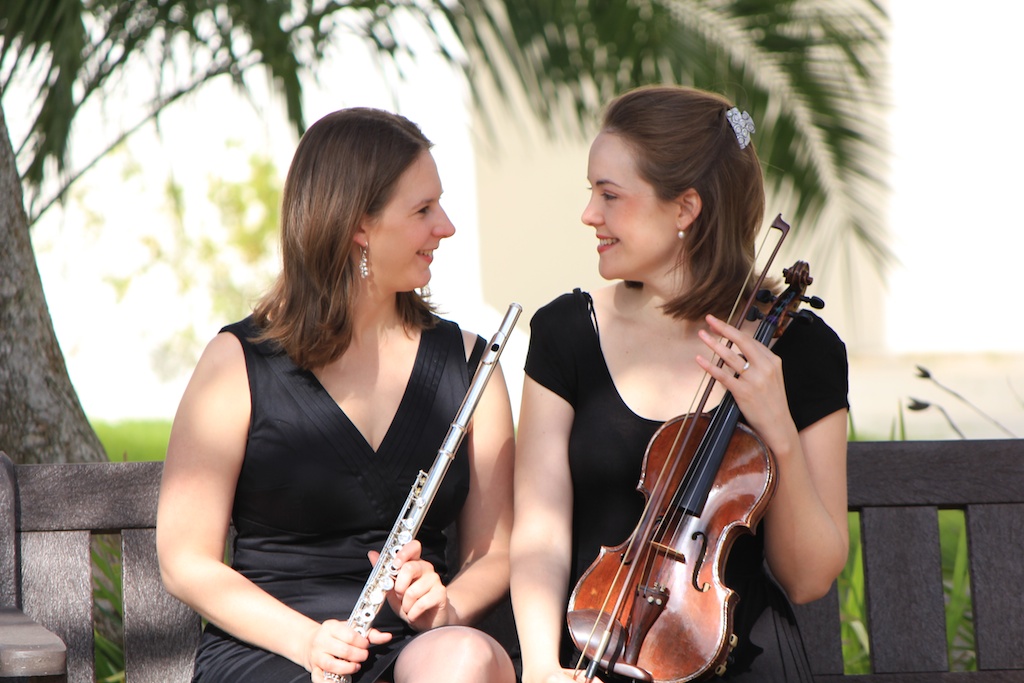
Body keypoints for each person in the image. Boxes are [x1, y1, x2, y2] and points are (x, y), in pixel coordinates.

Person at [156, 107, 517, 683]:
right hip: (273, 647)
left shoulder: (473, 367)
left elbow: (494, 552)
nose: (446, 227)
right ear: (359, 226)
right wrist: (307, 641)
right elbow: (184, 560)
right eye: (423, 209)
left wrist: (446, 605)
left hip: (411, 647)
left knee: (468, 659)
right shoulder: (237, 364)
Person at [510, 85, 850, 683]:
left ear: (685, 209)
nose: (589, 215)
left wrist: (778, 429)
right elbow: (539, 531)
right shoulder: (566, 333)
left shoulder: (800, 350)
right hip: (589, 651)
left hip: (733, 658)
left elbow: (809, 578)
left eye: (609, 195)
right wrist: (541, 666)